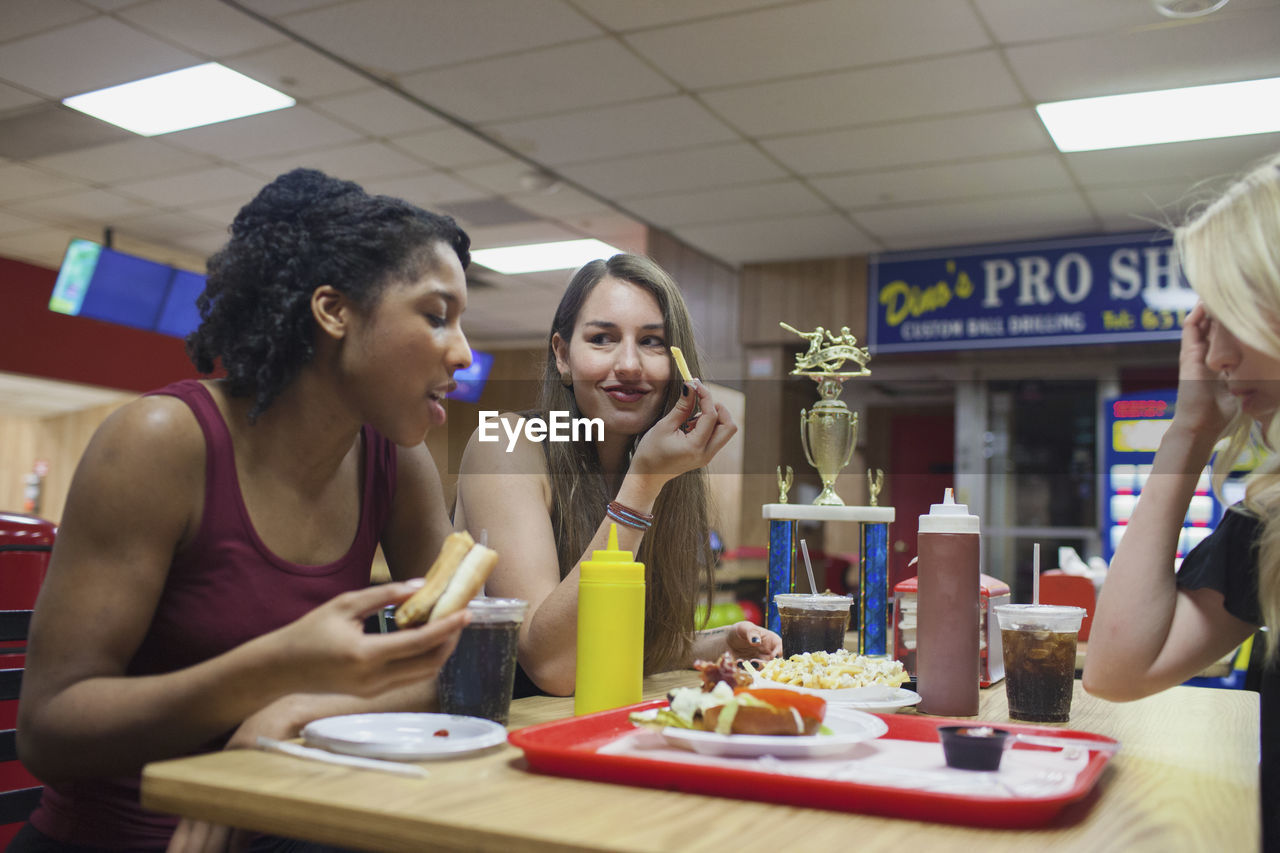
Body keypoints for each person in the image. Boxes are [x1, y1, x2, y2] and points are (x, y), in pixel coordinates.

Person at [13, 169, 475, 852]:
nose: (462, 352)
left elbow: (467, 666)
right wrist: (271, 669)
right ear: (333, 310)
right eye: (437, 316)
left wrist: (293, 710)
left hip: (290, 819)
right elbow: (49, 728)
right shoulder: (159, 442)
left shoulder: (393, 459)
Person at [453, 254, 780, 697]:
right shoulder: (506, 443)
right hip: (492, 737)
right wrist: (642, 485)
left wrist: (718, 643)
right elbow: (555, 668)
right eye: (602, 338)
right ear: (563, 356)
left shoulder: (654, 465)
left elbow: (620, 642)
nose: (629, 364)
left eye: (652, 342)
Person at [1083, 152, 1280, 851]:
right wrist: (1189, 432)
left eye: (1230, 314)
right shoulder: (1270, 523)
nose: (1217, 355)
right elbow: (1117, 668)